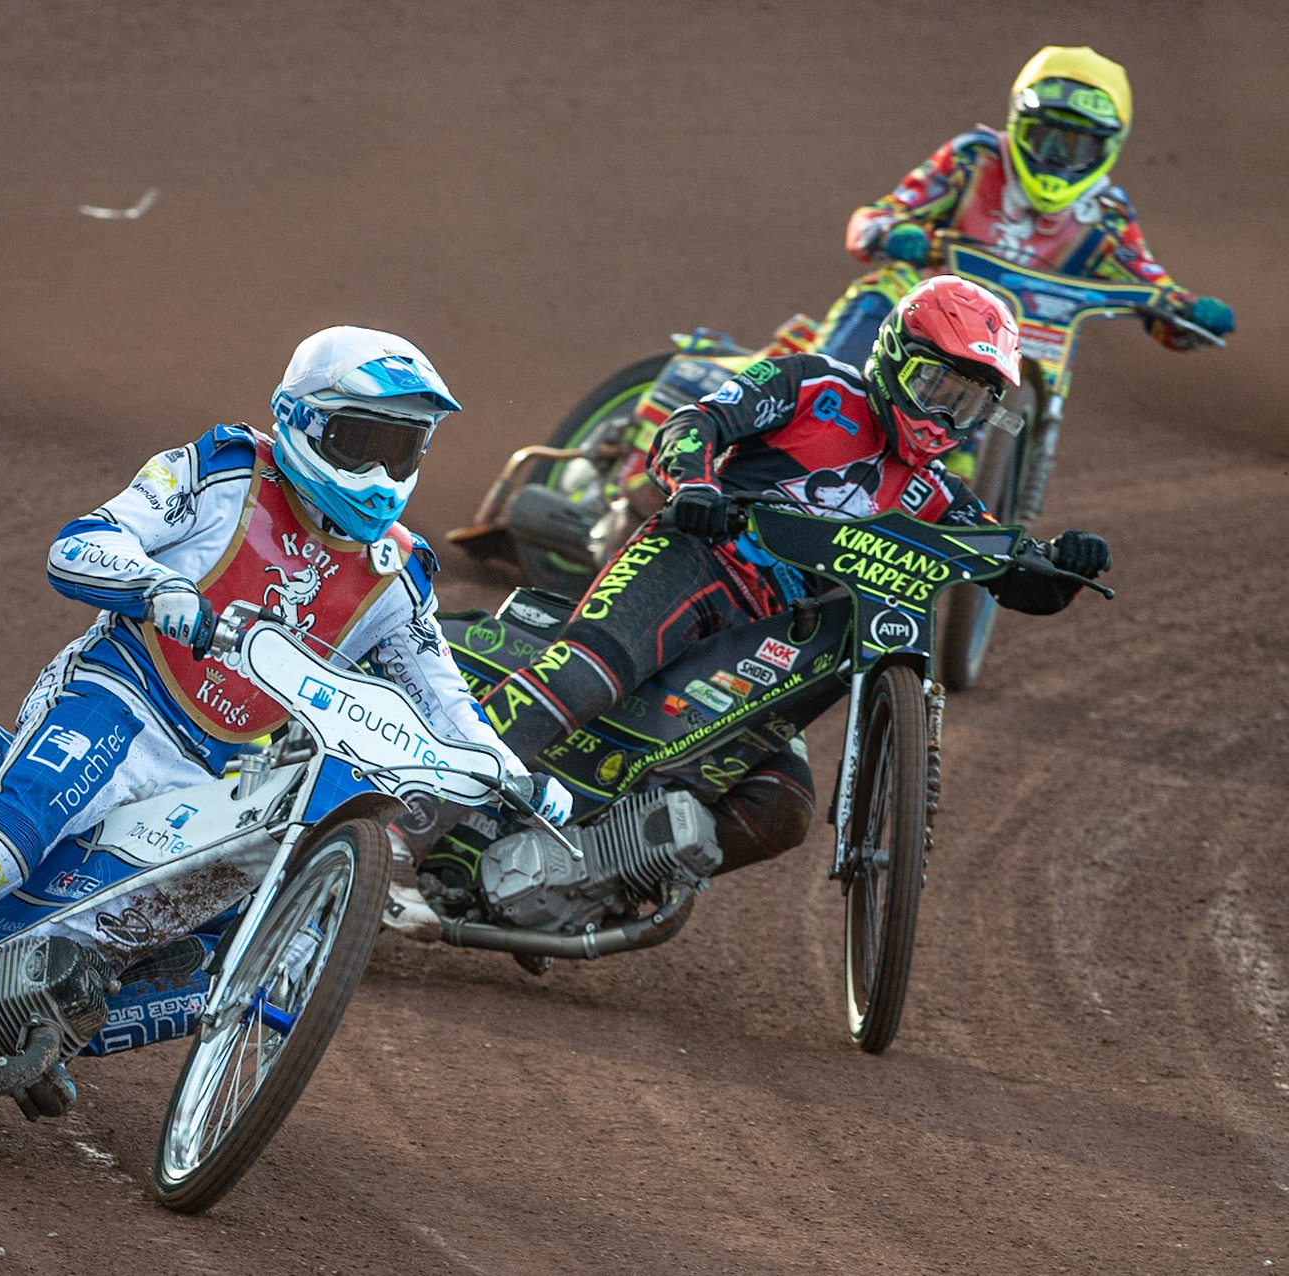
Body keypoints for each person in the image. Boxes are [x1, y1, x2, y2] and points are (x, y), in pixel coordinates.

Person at [0, 326, 572, 1060]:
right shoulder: (222, 472)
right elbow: (82, 543)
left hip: (227, 772)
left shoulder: (397, 575)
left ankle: (11, 1021)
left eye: (403, 449)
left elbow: (446, 699)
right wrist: (158, 588)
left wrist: (511, 775)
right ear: (300, 422)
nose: (381, 476)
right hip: (121, 701)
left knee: (206, 940)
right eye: (362, 444)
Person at [420, 277, 1111, 900]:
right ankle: (407, 823)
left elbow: (1012, 573)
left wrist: (1064, 566)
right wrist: (694, 484)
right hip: (694, 561)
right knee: (577, 682)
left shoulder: (938, 492)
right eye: (936, 388)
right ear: (896, 358)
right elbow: (694, 423)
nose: (943, 416)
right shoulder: (814, 386)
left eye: (967, 404)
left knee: (781, 806)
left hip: (772, 637)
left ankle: (585, 879)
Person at [819, 45, 1234, 372]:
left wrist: (1190, 312)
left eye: (1077, 146)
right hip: (929, 311)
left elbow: (1151, 286)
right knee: (887, 291)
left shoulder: (1106, 213)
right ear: (1018, 126)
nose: (1056, 158)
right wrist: (898, 237)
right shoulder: (974, 158)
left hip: (1019, 343)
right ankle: (823, 394)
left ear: (1108, 148)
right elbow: (873, 222)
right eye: (1045, 138)